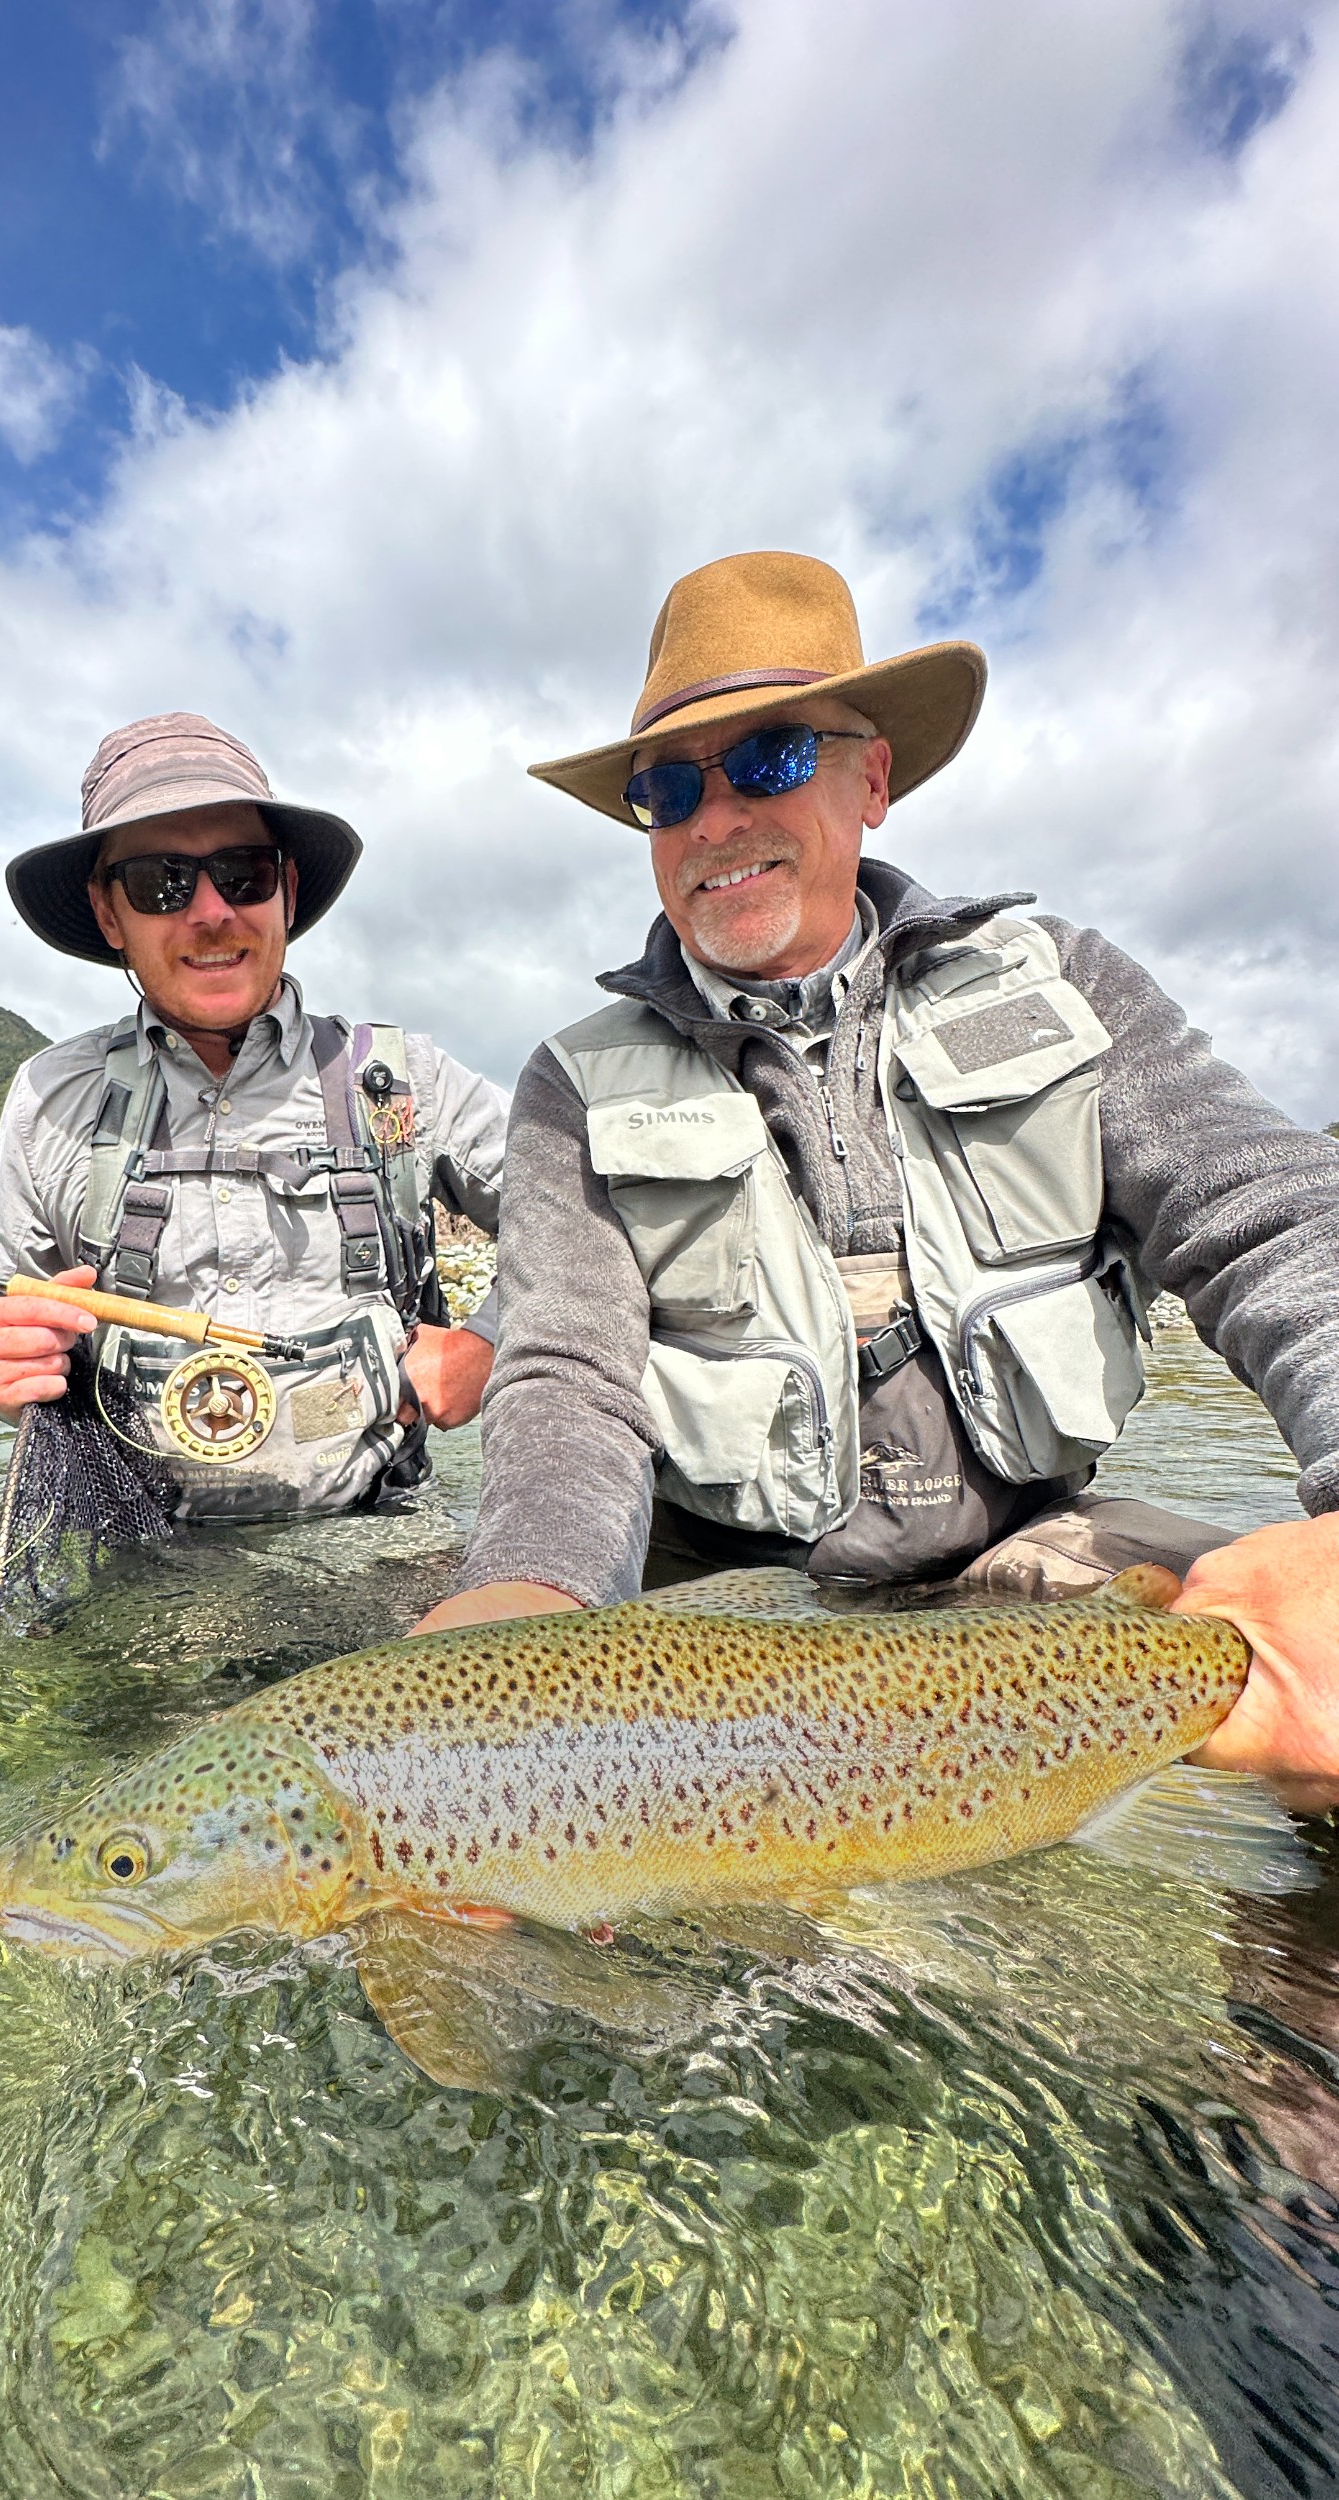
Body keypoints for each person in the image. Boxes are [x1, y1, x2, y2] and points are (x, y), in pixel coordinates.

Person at [418, 550, 1339, 1800]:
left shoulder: (1062, 983)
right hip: (726, 1611)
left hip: (1032, 1553)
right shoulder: (569, 1085)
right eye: (667, 789)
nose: (714, 818)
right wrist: (528, 1593)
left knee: (1297, 1677)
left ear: (872, 778)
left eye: (770, 758)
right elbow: (569, 1377)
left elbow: (1268, 1225)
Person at [0, 712, 506, 1519]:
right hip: (142, 1561)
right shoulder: (49, 1098)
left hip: (382, 1544)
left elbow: (581, 1218)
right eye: (160, 883)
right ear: (111, 915)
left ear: (286, 889)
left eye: (243, 873)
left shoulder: (401, 1082)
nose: (212, 911)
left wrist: (488, 1342)